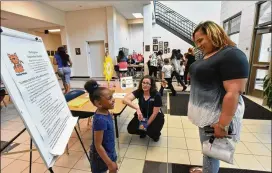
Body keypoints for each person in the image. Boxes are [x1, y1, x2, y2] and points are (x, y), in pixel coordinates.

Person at [188, 21, 249, 173]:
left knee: (211, 152)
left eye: (201, 40)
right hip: (205, 114)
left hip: (215, 117)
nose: (198, 45)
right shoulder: (210, 55)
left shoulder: (231, 54)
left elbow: (233, 92)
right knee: (208, 149)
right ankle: (207, 169)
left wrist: (223, 124)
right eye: (196, 42)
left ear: (213, 33)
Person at [84, 80, 118, 173]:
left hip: (109, 150)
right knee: (111, 168)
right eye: (110, 98)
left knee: (114, 169)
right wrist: (110, 163)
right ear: (98, 103)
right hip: (100, 158)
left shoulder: (105, 111)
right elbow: (98, 145)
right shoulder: (100, 120)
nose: (113, 100)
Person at [123, 75, 164, 142]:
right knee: (130, 129)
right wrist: (137, 108)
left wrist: (145, 125)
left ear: (151, 85)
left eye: (147, 83)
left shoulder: (156, 95)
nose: (145, 85)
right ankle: (143, 132)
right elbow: (125, 100)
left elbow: (154, 113)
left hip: (155, 117)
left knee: (151, 132)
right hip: (142, 115)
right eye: (143, 82)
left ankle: (156, 135)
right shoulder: (139, 91)